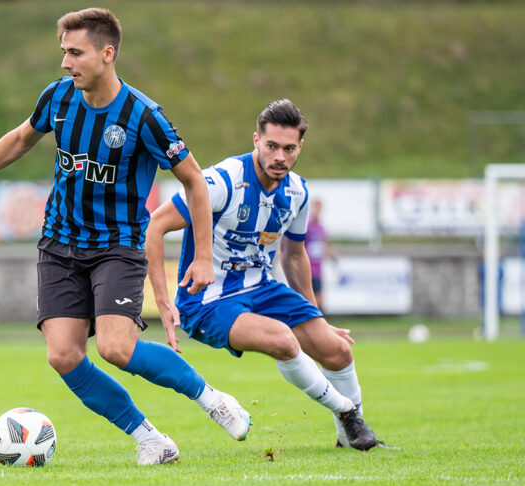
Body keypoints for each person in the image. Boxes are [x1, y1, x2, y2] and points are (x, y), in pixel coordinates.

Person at [0, 8, 251, 465]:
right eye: (63, 52)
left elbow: (195, 182)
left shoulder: (143, 116)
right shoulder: (58, 97)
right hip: (59, 243)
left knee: (115, 348)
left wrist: (203, 256)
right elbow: (21, 138)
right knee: (63, 355)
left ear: (107, 53)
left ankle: (212, 400)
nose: (66, 62)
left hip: (117, 247)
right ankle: (151, 439)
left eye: (76, 53)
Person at [146, 99, 380, 451]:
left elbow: (294, 255)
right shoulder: (222, 181)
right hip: (208, 301)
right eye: (271, 146)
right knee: (283, 340)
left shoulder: (297, 192)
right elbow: (154, 226)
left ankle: (349, 440)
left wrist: (316, 317)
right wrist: (163, 302)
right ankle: (348, 412)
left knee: (336, 351)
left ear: (300, 147)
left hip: (261, 289)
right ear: (256, 140)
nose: (279, 157)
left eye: (289, 149)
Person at [304, 199, 334, 311]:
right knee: (309, 297)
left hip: (318, 268)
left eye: (319, 208)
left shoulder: (321, 227)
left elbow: (325, 243)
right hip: (307, 267)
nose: (317, 211)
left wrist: (330, 254)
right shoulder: (307, 226)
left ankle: (318, 318)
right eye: (315, 208)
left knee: (320, 299)